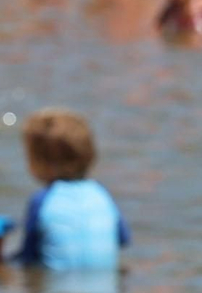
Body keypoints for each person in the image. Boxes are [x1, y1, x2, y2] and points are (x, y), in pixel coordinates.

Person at [15, 109, 129, 271]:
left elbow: (28, 256)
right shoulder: (101, 194)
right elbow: (122, 239)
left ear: (41, 163)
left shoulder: (42, 200)